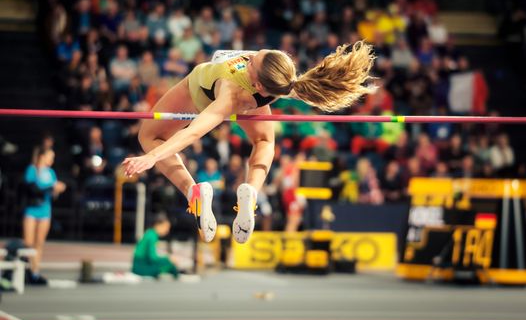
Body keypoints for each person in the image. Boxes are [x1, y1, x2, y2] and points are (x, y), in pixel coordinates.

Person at [123, 41, 375, 244]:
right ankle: (251, 193)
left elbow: (193, 133)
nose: (252, 56)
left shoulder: (231, 92)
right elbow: (293, 86)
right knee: (265, 141)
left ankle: (194, 192)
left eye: (252, 62)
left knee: (148, 136)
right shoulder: (283, 80)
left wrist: (151, 157)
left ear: (257, 83)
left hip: (199, 91)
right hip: (252, 100)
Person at [23, 148, 66, 284]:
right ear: (42, 156)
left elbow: (53, 194)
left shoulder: (51, 172)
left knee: (39, 243)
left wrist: (57, 189)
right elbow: (33, 187)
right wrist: (52, 185)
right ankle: (27, 270)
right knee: (28, 243)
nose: (52, 160)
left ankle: (35, 272)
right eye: (50, 156)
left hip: (45, 210)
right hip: (31, 209)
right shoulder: (32, 169)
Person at [132, 213, 179, 279]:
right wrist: (168, 259)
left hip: (139, 265)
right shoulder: (152, 236)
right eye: (166, 227)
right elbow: (152, 257)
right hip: (141, 267)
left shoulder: (150, 233)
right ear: (158, 225)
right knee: (171, 266)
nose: (167, 230)